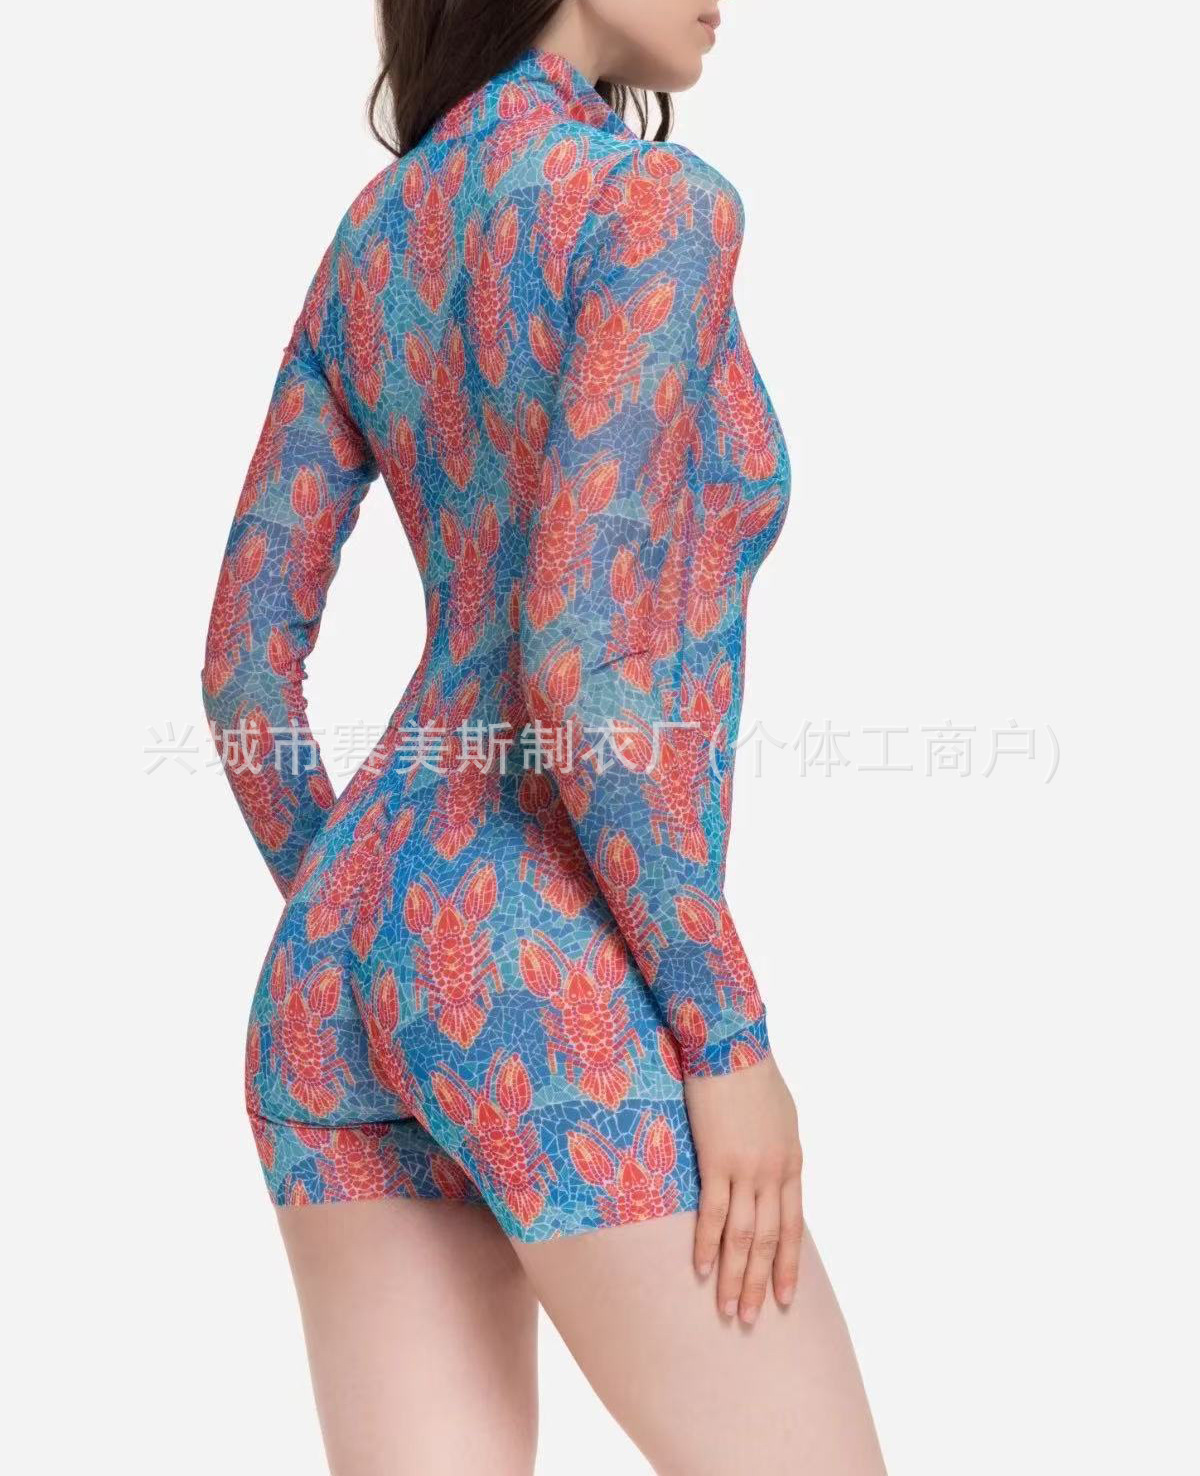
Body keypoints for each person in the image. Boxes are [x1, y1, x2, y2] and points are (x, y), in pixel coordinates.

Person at [201, 2, 887, 1470]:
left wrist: (374, 926)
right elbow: (576, 661)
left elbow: (243, 675)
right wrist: (727, 1038)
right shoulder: (655, 208)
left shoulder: (373, 241)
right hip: (546, 951)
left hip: (335, 971)